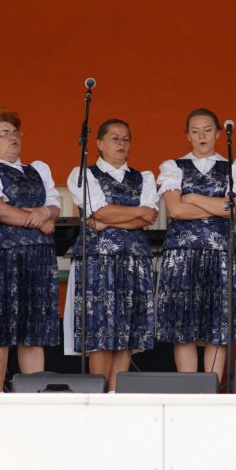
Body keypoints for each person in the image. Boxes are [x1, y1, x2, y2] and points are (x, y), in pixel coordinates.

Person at [156, 109, 236, 382]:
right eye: (196, 131)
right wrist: (214, 206)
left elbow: (231, 208)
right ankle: (188, 389)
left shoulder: (233, 167)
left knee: (218, 326)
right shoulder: (173, 166)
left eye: (208, 130)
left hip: (221, 254)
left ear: (218, 134)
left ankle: (211, 390)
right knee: (183, 327)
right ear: (188, 135)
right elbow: (175, 210)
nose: (202, 136)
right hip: (182, 255)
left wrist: (192, 197)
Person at [0, 110, 61, 393]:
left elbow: (55, 205)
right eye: (3, 134)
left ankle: (35, 396)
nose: (12, 138)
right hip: (4, 257)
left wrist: (46, 212)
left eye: (15, 132)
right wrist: (39, 221)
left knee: (34, 331)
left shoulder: (38, 169)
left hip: (39, 259)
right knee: (1, 329)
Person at [64, 118, 158, 390]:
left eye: (126, 138)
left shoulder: (144, 177)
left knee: (126, 332)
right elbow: (99, 210)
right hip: (98, 260)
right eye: (115, 138)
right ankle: (99, 393)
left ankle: (116, 394)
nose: (121, 143)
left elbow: (148, 216)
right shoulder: (84, 174)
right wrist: (133, 213)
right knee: (100, 331)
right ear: (99, 143)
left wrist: (106, 220)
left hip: (134, 260)